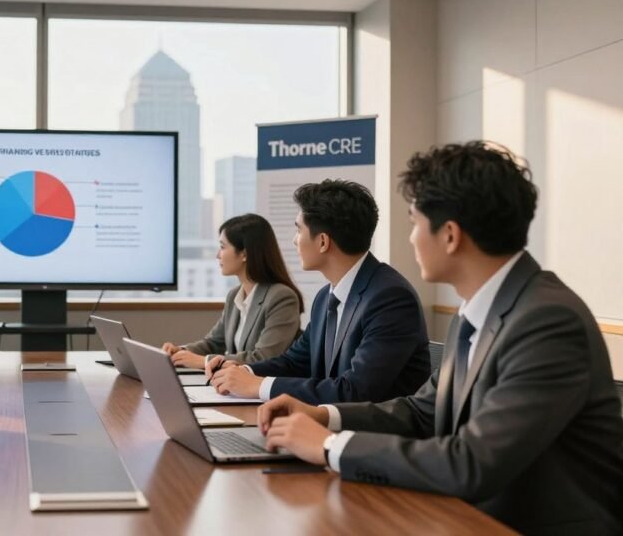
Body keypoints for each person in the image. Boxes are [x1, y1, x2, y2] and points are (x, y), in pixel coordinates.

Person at [259, 143, 623, 535]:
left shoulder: (548, 321)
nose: (412, 238)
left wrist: (330, 447)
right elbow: (422, 412)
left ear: (450, 236)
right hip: (469, 517)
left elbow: (473, 463)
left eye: (415, 222)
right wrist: (325, 416)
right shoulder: (477, 310)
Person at [208, 180, 430, 403]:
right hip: (328, 425)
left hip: (373, 435)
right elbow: (295, 362)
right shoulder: (326, 297)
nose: (294, 240)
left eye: (298, 230)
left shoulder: (390, 298)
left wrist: (259, 386)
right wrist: (243, 371)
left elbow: (355, 390)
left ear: (323, 241)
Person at [161, 214, 303, 367]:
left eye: (222, 247)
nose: (218, 255)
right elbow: (214, 343)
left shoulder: (281, 297)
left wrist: (205, 361)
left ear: (244, 254)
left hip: (267, 387)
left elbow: (264, 357)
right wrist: (180, 352)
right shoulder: (235, 295)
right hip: (236, 385)